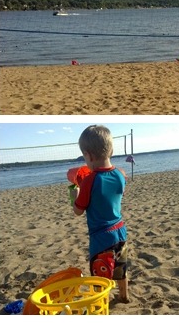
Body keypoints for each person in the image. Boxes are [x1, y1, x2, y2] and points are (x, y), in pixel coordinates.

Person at [70, 125, 129, 302]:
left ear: (88, 155)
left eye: (84, 156)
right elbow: (115, 192)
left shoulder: (90, 181)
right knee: (120, 269)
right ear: (111, 149)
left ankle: (101, 302)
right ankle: (124, 296)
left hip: (101, 238)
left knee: (100, 274)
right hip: (120, 231)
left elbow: (78, 211)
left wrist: (75, 193)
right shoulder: (120, 174)